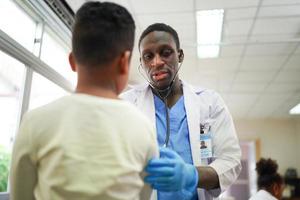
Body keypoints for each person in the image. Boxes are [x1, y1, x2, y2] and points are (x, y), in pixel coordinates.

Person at [10, 2, 158, 200]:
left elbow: (21, 195)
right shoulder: (143, 128)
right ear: (124, 62)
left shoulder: (34, 122)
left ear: (72, 61)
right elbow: (143, 195)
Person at [121, 23, 242, 200]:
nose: (157, 62)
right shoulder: (126, 105)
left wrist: (191, 175)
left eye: (165, 52)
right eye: (148, 56)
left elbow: (231, 161)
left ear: (180, 55)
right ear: (142, 62)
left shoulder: (209, 102)